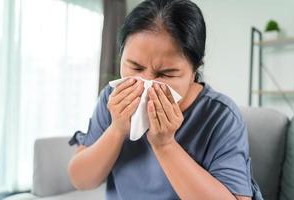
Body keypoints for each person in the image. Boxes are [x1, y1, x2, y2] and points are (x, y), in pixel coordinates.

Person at [68, 0, 263, 199]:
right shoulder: (112, 99)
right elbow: (81, 180)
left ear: (195, 69)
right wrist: (117, 130)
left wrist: (165, 145)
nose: (146, 82)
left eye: (166, 74)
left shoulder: (220, 116)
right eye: (135, 67)